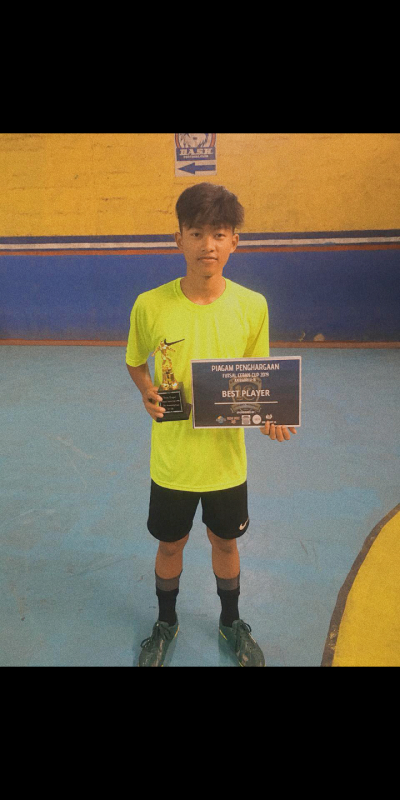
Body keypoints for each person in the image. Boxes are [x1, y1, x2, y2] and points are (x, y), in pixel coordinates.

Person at [126, 183, 297, 667]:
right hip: (173, 460)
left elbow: (259, 381)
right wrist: (146, 389)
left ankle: (230, 622)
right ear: (178, 238)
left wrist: (271, 417)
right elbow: (136, 361)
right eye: (197, 233)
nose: (208, 245)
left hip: (225, 462)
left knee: (225, 541)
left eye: (219, 234)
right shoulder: (149, 305)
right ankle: (166, 622)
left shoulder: (253, 305)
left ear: (234, 241)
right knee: (170, 544)